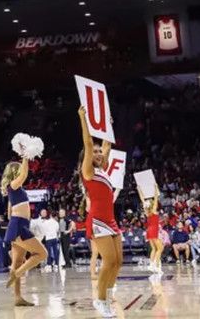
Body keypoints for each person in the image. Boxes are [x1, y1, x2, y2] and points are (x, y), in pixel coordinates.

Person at [80, 105, 121, 318]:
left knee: (118, 261)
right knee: (109, 261)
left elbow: (106, 145)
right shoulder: (87, 171)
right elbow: (88, 143)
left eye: (98, 152)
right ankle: (100, 299)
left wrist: (108, 127)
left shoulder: (102, 169)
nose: (97, 153)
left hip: (111, 219)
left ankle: (108, 291)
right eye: (94, 152)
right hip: (98, 220)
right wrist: (83, 117)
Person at [1, 156, 48, 306]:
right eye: (19, 170)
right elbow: (25, 175)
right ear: (16, 172)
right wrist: (26, 158)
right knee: (42, 254)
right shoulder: (14, 185)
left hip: (16, 225)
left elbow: (9, 214)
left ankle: (18, 298)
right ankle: (19, 273)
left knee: (17, 262)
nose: (22, 173)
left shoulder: (12, 189)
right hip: (20, 226)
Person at [144, 190, 164, 274]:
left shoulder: (146, 211)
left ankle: (152, 265)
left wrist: (140, 190)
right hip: (153, 230)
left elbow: (143, 199)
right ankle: (155, 265)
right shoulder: (153, 210)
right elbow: (156, 199)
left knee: (154, 249)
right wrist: (155, 189)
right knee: (160, 248)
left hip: (148, 230)